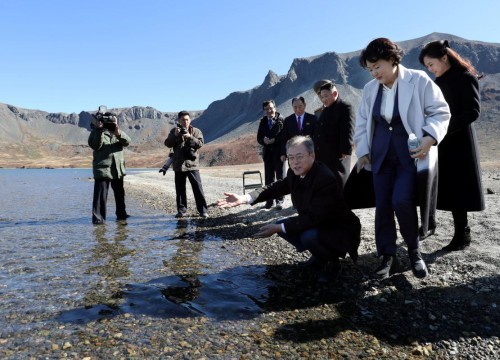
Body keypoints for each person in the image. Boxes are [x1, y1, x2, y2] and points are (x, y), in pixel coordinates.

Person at [354, 38, 450, 279]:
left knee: (402, 201)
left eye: (378, 66)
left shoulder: (418, 80)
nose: (374, 73)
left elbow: (440, 111)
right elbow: (363, 122)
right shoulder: (369, 90)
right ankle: (387, 256)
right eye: (370, 69)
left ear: (393, 60)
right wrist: (363, 151)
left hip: (410, 155)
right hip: (380, 157)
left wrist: (430, 137)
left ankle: (414, 252)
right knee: (383, 205)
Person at [217, 136, 361, 280]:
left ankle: (332, 263)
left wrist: (278, 229)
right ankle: (319, 257)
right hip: (318, 223)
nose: (294, 162)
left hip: (339, 230)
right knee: (281, 224)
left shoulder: (325, 179)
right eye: (290, 158)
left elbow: (314, 218)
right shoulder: (294, 173)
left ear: (312, 155)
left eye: (299, 157)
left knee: (305, 235)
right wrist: (245, 198)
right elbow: (276, 187)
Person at [419, 40, 485, 251]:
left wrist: (444, 128)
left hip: (460, 141)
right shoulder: (438, 82)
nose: (430, 69)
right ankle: (430, 225)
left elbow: (473, 112)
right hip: (442, 141)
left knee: (459, 188)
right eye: (427, 67)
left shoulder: (466, 77)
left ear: (444, 57)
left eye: (431, 64)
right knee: (440, 185)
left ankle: (462, 235)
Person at [88, 110, 131, 224]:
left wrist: (118, 133)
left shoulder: (118, 132)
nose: (111, 122)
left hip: (117, 169)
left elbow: (128, 142)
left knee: (120, 194)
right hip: (103, 170)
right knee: (100, 197)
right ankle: (98, 220)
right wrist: (99, 130)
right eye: (109, 120)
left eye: (113, 120)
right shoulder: (97, 132)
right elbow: (95, 145)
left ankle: (122, 215)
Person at [164, 111, 208, 218]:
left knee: (197, 188)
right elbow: (167, 143)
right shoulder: (174, 131)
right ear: (179, 121)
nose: (185, 122)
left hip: (192, 165)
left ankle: (203, 211)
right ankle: (182, 211)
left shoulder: (196, 131)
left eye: (187, 119)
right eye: (183, 120)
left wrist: (189, 136)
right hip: (179, 166)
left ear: (190, 120)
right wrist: (175, 136)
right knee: (180, 190)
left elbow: (200, 144)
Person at [312, 80, 355, 187]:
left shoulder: (345, 107)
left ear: (335, 94)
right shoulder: (326, 110)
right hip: (323, 156)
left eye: (325, 96)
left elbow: (348, 130)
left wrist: (345, 150)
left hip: (338, 156)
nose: (323, 100)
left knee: (339, 184)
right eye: (321, 97)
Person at [257, 100, 285, 210]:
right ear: (264, 111)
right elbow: (259, 138)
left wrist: (275, 140)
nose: (269, 111)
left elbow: (284, 138)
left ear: (275, 107)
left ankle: (279, 201)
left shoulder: (282, 120)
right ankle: (269, 202)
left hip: (279, 154)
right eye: (266, 109)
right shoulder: (262, 121)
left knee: (280, 178)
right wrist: (264, 140)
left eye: (271, 108)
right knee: (268, 179)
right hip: (268, 155)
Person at [280, 96, 316, 162]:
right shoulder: (288, 120)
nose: (298, 110)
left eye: (300, 106)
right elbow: (284, 138)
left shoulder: (313, 119)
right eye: (295, 107)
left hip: (308, 154)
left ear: (304, 105)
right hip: (294, 155)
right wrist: (283, 153)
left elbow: (316, 137)